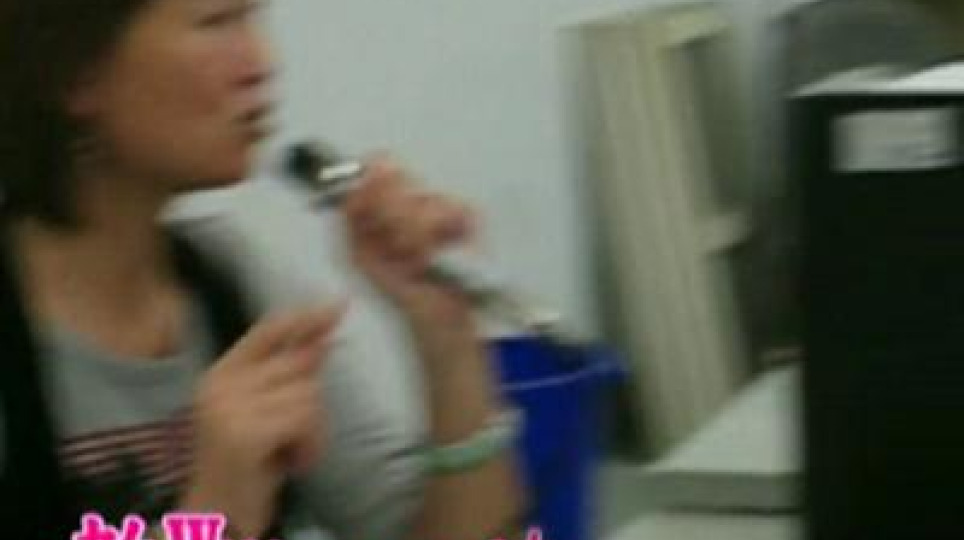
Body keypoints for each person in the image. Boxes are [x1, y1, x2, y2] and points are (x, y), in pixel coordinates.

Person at [0, 0, 525, 539]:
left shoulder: (235, 278)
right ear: (76, 74)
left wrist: (448, 342)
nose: (262, 63)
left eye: (253, 19)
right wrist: (213, 515)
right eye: (216, 22)